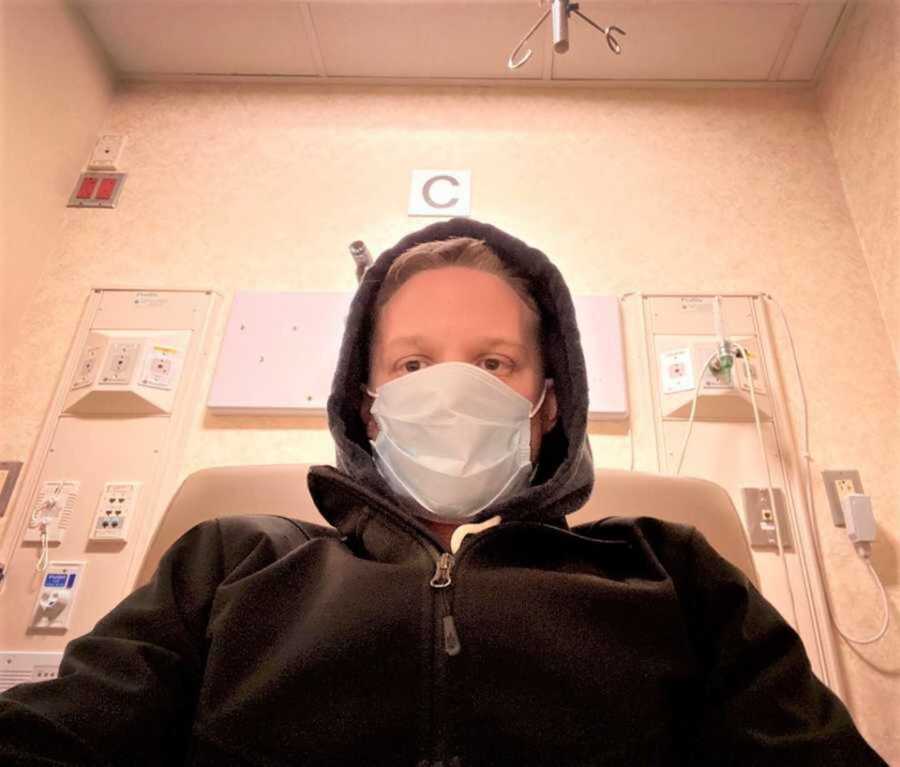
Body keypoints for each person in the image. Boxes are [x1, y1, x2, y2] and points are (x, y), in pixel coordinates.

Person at [0, 218, 886, 767]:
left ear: (547, 407)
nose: (450, 388)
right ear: (369, 404)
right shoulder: (233, 559)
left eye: (494, 361)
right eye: (414, 363)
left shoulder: (669, 572)